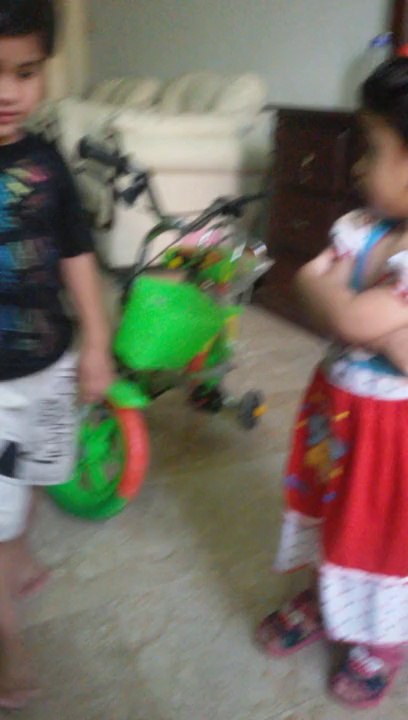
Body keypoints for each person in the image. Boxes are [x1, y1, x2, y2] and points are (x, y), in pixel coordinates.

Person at [257, 57, 408, 710]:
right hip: (341, 411)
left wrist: (342, 305)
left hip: (395, 437)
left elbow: (341, 309)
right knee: (333, 509)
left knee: (383, 531)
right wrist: (368, 324)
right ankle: (329, 595)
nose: (355, 168)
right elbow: (311, 288)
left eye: (371, 150)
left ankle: (384, 638)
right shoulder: (365, 228)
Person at [0, 0, 114, 709]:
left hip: (49, 364)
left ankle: (17, 550)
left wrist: (96, 341)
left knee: (39, 471)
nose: (8, 92)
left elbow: (76, 253)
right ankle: (9, 637)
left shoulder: (47, 164)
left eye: (26, 71)